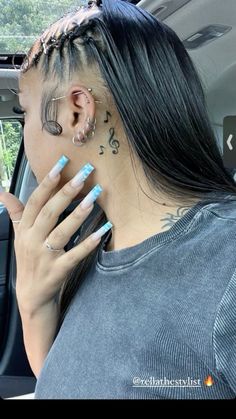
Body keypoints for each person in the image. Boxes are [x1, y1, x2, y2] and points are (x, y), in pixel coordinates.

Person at [0, 0, 236, 399]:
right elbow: (68, 380)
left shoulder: (227, 264)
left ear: (78, 112)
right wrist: (33, 303)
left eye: (25, 115)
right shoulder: (92, 239)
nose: (26, 133)